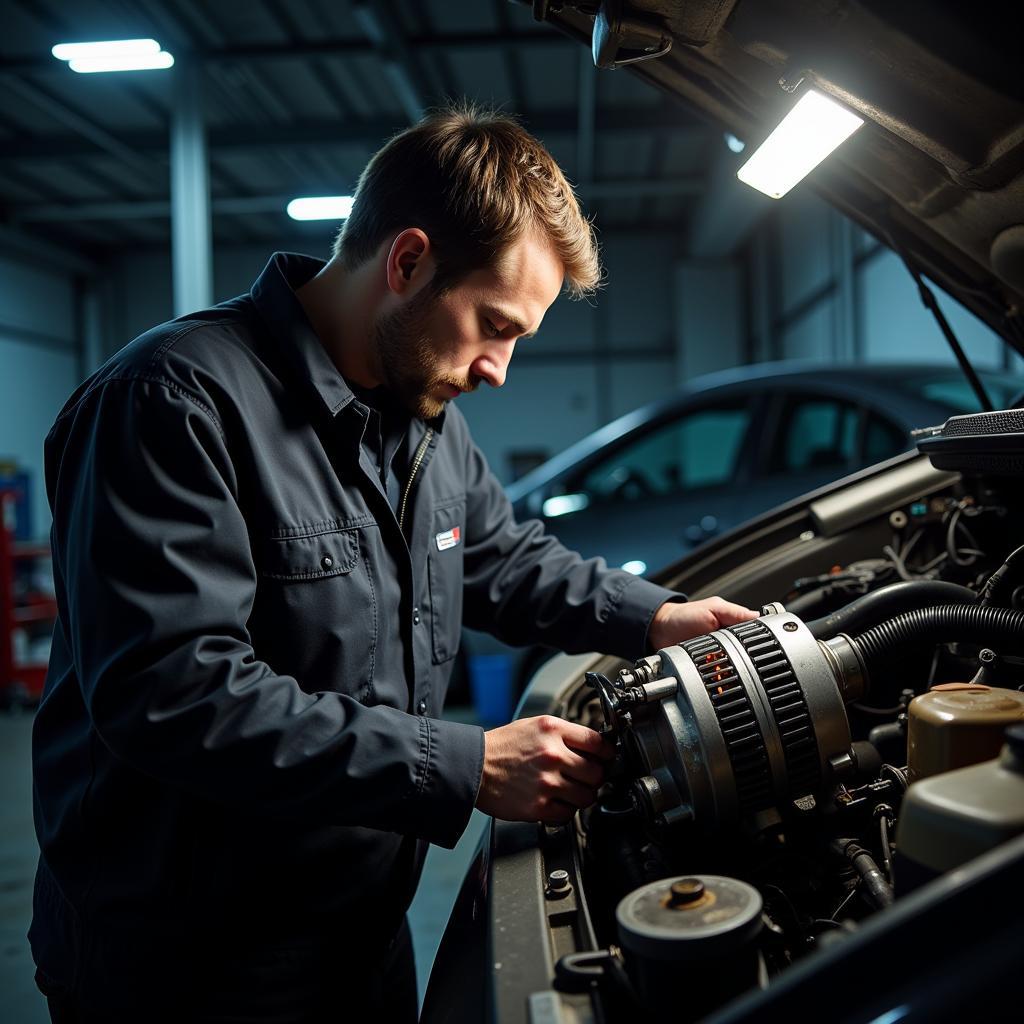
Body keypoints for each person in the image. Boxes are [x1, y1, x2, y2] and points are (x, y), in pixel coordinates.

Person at [30, 103, 755, 1022]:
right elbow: (171, 691)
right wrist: (466, 765)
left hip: (358, 930)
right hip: (188, 963)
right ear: (407, 261)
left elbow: (504, 560)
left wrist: (656, 616)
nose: (499, 368)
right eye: (495, 324)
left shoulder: (424, 423)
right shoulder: (172, 403)